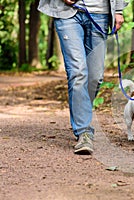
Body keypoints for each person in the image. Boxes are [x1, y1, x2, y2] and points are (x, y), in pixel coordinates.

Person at [38, 0, 127, 154]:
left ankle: (82, 113)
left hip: (100, 13)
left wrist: (118, 9)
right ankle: (84, 131)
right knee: (77, 72)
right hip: (67, 12)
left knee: (95, 77)